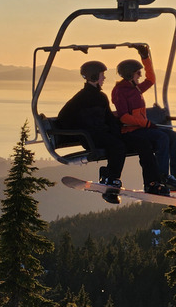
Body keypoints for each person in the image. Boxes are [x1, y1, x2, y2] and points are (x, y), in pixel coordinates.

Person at [57, 61, 167, 203]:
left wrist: (120, 130)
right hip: (92, 137)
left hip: (105, 133)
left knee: (142, 143)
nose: (104, 78)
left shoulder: (101, 97)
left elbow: (109, 118)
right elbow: (63, 118)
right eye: (102, 75)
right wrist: (82, 129)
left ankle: (152, 183)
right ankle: (111, 178)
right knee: (117, 146)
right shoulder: (80, 98)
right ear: (94, 76)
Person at [111, 46, 176, 190]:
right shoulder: (120, 91)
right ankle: (162, 176)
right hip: (131, 131)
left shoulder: (136, 88)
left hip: (142, 128)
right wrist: (145, 123)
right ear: (129, 75)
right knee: (162, 138)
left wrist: (145, 57)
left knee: (172, 135)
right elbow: (124, 117)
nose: (140, 76)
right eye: (137, 73)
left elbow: (151, 79)